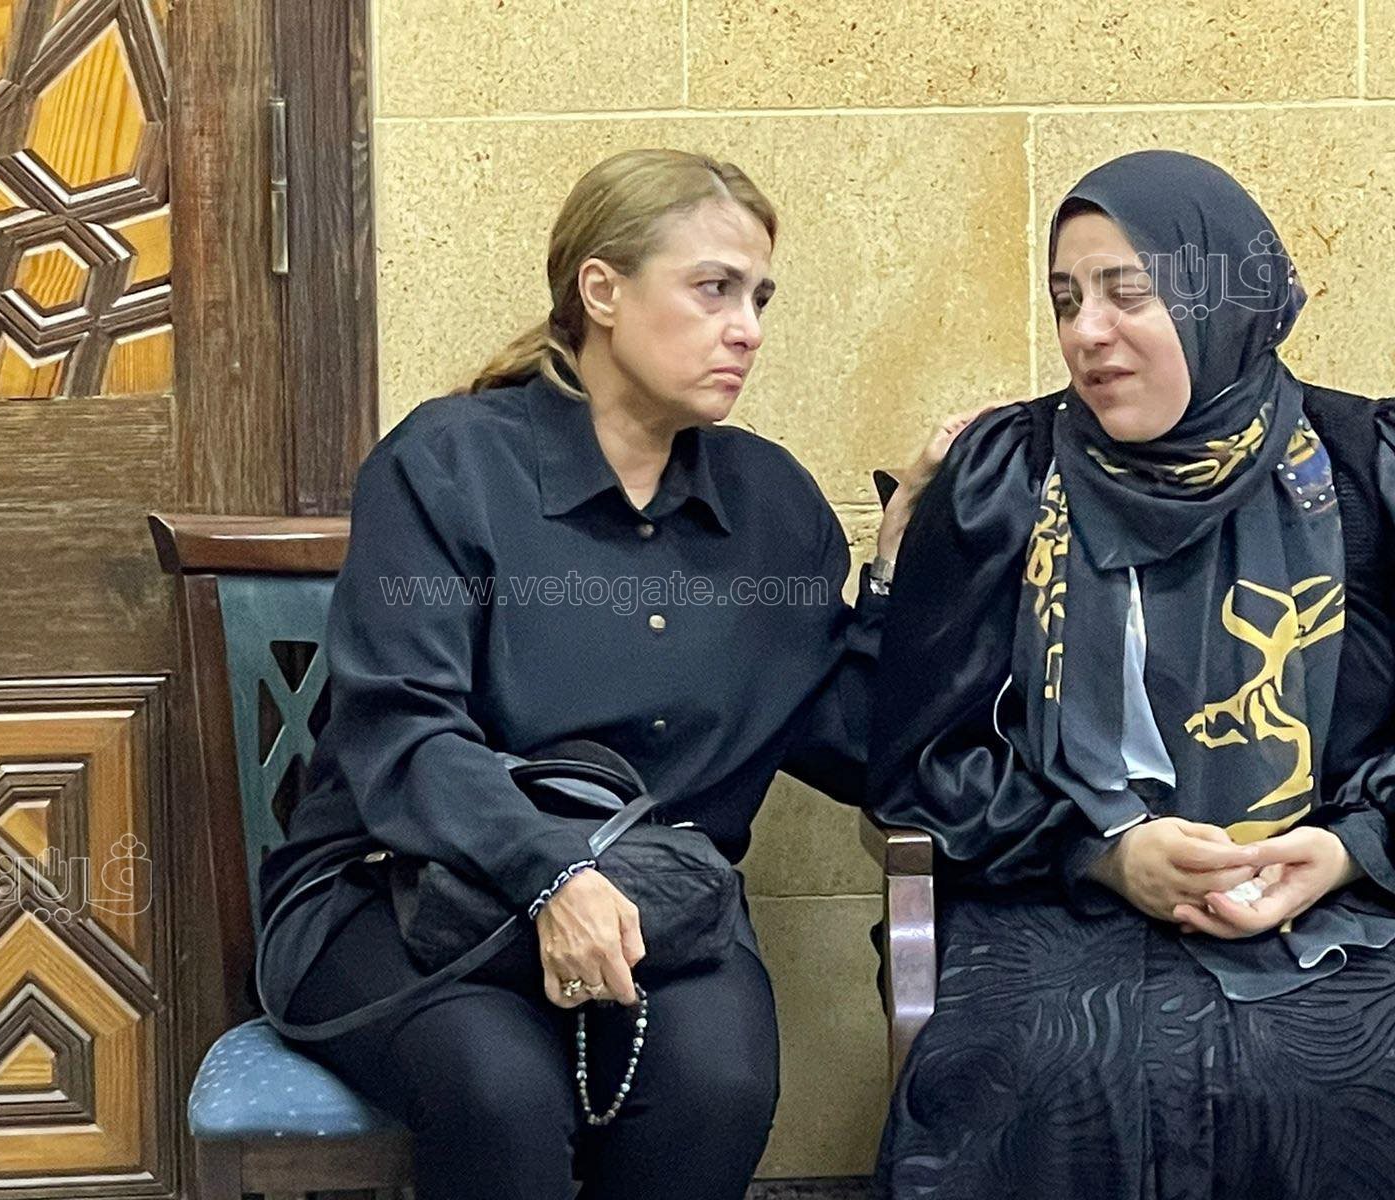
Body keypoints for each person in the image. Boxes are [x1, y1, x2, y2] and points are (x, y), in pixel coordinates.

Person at [252, 148, 950, 1200]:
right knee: (500, 1090)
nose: (748, 328)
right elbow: (402, 731)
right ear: (602, 291)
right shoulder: (445, 464)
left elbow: (855, 745)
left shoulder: (772, 506)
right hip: (398, 889)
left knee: (719, 1083)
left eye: (759, 298)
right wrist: (552, 874)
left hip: (656, 901)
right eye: (713, 288)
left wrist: (897, 570)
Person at [867, 149, 1395, 1198]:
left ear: (1218, 299)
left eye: (1128, 293)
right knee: (1032, 1074)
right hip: (1052, 894)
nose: (1087, 333)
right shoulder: (1008, 477)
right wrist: (1106, 854)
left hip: (1339, 898)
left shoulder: (1363, 472)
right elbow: (924, 760)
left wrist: (1346, 850)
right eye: (1067, 300)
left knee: (1349, 1074)